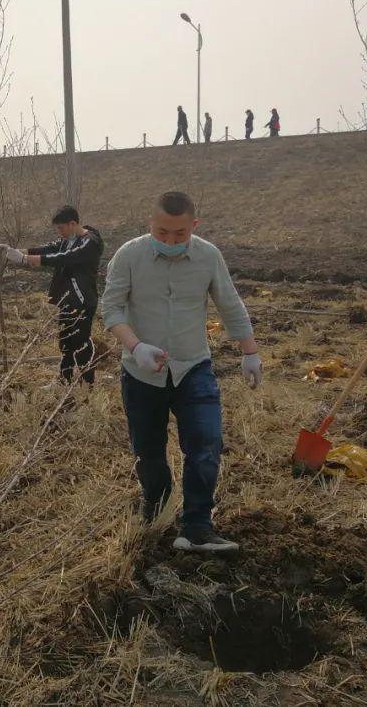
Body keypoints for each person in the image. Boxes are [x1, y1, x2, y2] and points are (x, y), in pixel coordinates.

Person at [101, 191, 262, 553]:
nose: (171, 241)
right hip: (141, 373)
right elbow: (111, 309)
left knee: (206, 444)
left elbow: (229, 302)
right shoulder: (129, 256)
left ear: (194, 226)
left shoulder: (208, 256)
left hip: (194, 368)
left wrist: (249, 351)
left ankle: (197, 526)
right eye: (162, 233)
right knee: (149, 452)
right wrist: (135, 346)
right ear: (150, 224)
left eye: (179, 234)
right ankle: (155, 514)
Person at [0, 206, 104, 385]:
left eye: (61, 227)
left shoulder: (90, 242)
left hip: (83, 301)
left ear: (72, 224)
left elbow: (63, 258)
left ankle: (87, 384)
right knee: (65, 341)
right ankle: (64, 379)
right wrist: (17, 251)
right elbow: (49, 249)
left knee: (81, 343)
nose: (59, 231)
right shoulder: (67, 239)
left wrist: (25, 260)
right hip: (67, 300)